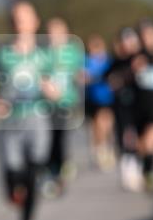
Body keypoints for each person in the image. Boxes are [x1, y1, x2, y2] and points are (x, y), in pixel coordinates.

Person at [0, 1, 61, 220]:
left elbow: (58, 90)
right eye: (15, 18)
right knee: (13, 179)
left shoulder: (45, 56)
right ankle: (13, 190)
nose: (19, 22)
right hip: (10, 122)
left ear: (35, 23)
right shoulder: (0, 54)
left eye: (24, 18)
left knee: (33, 177)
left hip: (36, 119)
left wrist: (50, 89)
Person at [43, 17, 84, 196]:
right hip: (45, 103)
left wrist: (81, 76)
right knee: (47, 139)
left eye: (57, 32)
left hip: (65, 102)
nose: (54, 36)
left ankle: (59, 171)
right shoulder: (43, 52)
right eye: (51, 32)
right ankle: (51, 173)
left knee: (60, 138)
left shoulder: (73, 52)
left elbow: (79, 72)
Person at [107, 26, 143, 191]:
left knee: (138, 137)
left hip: (141, 106)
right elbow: (109, 80)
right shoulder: (116, 61)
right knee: (125, 136)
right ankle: (128, 167)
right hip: (121, 106)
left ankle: (141, 168)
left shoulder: (143, 59)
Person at [82, 34, 115, 170]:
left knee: (106, 124)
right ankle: (99, 150)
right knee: (97, 126)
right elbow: (82, 76)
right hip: (93, 98)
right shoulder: (86, 60)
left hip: (107, 97)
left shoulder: (108, 60)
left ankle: (104, 147)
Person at [132, 18, 153, 190]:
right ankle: (145, 169)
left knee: (152, 137)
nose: (147, 39)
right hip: (140, 105)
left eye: (149, 35)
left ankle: (149, 172)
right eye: (143, 36)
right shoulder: (136, 57)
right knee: (142, 143)